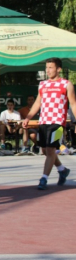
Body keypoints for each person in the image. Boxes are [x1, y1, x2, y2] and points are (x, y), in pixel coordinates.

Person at [22, 57, 76, 190]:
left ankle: (44, 178)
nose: (48, 70)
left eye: (51, 67)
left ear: (58, 69)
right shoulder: (43, 85)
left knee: (51, 149)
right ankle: (62, 170)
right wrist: (28, 117)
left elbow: (73, 104)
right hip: (44, 121)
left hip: (58, 123)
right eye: (46, 68)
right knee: (45, 150)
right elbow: (37, 103)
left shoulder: (66, 84)